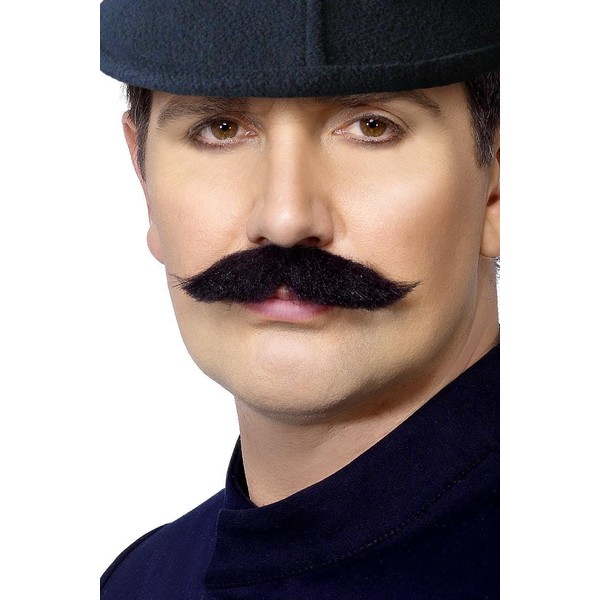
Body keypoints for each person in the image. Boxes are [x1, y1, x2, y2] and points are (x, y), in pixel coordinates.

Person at [100, 1, 499, 598]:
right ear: (144, 179)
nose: (285, 219)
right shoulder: (143, 582)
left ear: (501, 185)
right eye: (220, 129)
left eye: (372, 126)